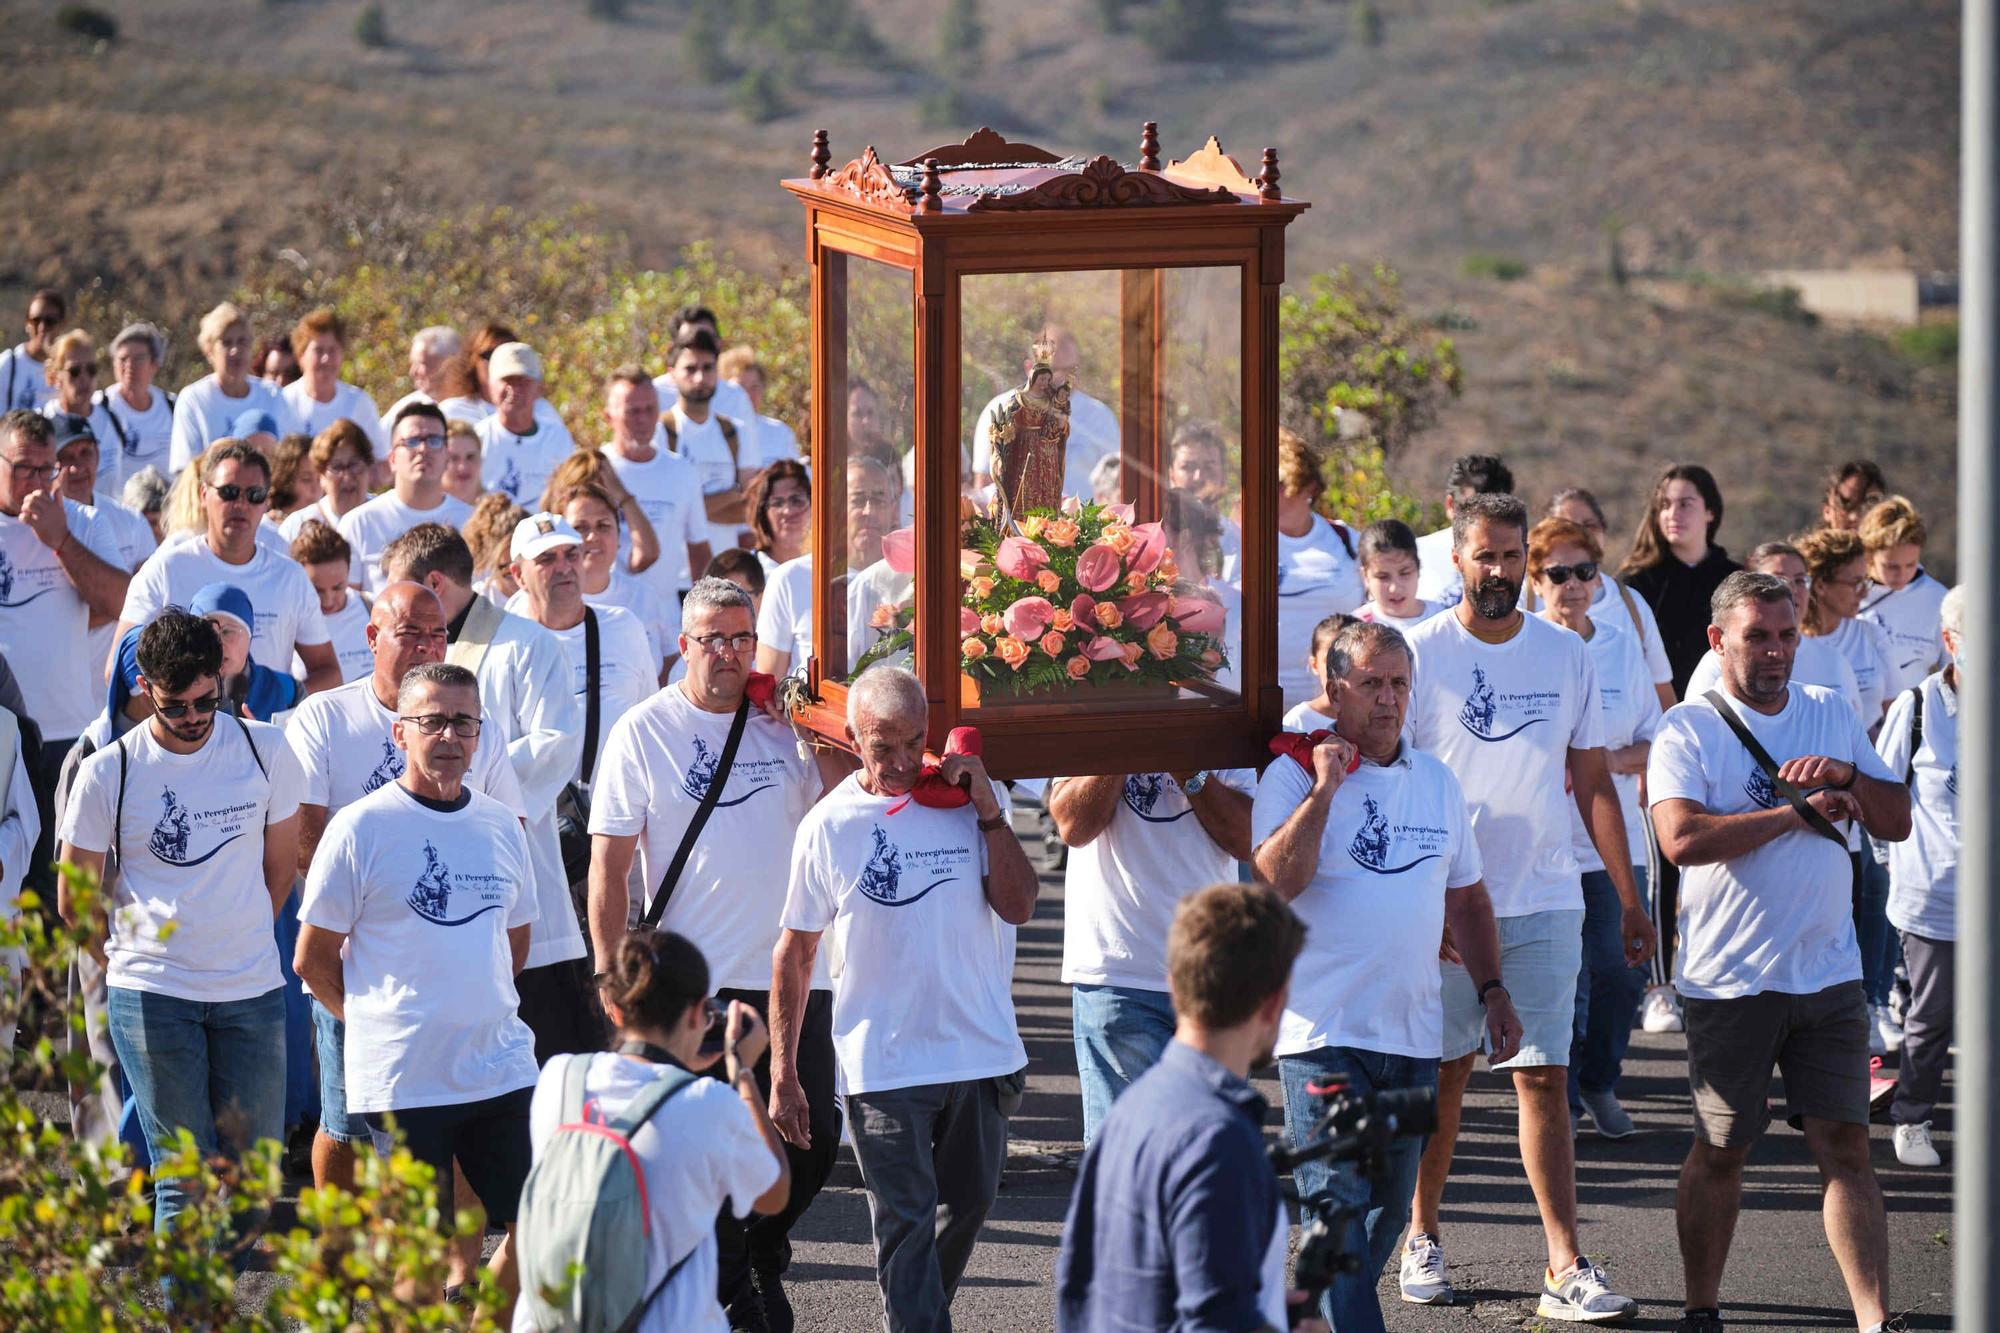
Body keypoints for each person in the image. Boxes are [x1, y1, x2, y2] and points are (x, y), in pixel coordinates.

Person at [1400, 492, 1653, 1320]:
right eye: (1487, 556)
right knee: (1444, 1078)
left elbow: (1590, 781)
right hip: (1442, 902)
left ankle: (1562, 1263)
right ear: (1458, 560)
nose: (1502, 571)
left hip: (1545, 892)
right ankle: (1421, 1234)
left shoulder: (1566, 653)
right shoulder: (1419, 651)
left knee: (1544, 1075)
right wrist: (1419, 897)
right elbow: (1395, 781)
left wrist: (1628, 893)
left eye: (1515, 558)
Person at [1647, 571, 1909, 1333]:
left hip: (1828, 973)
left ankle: (1873, 1319)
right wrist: (1794, 814)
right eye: (1758, 635)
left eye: (1787, 634)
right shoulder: (1687, 729)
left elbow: (1894, 818)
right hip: (1730, 981)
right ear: (1717, 640)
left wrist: (1847, 774)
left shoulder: (1830, 711)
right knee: (1723, 1149)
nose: (1776, 651)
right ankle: (1702, 1308)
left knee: (1847, 1148)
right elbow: (1682, 838)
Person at [588, 576, 845, 1331]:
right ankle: (738, 1277)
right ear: (683, 645)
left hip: (792, 973)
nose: (729, 653)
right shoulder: (643, 729)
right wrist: (612, 971)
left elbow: (846, 795)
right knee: (703, 1137)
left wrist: (811, 723)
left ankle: (757, 1250)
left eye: (741, 637)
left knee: (813, 1137)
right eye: (713, 639)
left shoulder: (783, 725)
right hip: (686, 982)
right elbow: (608, 867)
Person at [1253, 621, 1520, 1332]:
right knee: (1335, 1204)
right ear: (1335, 687)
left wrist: (1493, 988)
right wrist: (1325, 789)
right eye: (1371, 681)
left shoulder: (1435, 780)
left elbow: (1466, 896)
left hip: (1410, 1035)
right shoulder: (1290, 773)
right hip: (1321, 1032)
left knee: (1388, 1202)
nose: (1388, 697)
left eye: (1399, 682)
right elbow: (1276, 880)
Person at [770, 665, 1036, 1332]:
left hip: (978, 1051)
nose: (896, 761)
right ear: (853, 738)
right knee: (906, 1220)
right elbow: (795, 952)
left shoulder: (971, 800)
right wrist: (785, 1070)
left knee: (968, 1205)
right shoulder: (828, 826)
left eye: (911, 743)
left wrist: (988, 811)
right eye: (881, 745)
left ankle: (918, 1314)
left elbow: (1020, 904)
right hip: (882, 1061)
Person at [294, 662, 538, 1318]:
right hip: (405, 1079)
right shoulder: (361, 828)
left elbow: (514, 941)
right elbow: (311, 959)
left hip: (497, 1066)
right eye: (432, 720)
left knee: (539, 1225)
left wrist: (472, 999)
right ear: (400, 732)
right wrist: (373, 1022)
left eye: (464, 720)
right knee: (421, 1253)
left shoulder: (498, 825)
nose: (450, 735)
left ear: (481, 733)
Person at [56, 608, 306, 1234]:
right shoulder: (107, 771)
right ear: (144, 685)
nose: (195, 716)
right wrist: (127, 966)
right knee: (183, 1179)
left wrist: (239, 930)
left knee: (253, 1187)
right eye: (176, 705)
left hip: (249, 988)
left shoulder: (267, 750)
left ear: (221, 677)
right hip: (152, 993)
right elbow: (72, 899)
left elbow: (281, 871)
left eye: (206, 699)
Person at [285, 582, 525, 1207]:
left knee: (488, 1183)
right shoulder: (327, 717)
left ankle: (459, 1280)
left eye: (438, 632)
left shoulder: (481, 728)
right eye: (409, 631)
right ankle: (340, 1264)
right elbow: (307, 838)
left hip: (462, 1019)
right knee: (340, 1129)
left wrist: (466, 970)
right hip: (354, 962)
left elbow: (505, 877)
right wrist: (374, 940)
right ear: (372, 637)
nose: (426, 644)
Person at [1056, 884, 1326, 1333]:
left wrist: (1257, 1304)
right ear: (1274, 1002)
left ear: (1174, 981)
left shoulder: (1130, 1111)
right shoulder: (1217, 1137)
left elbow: (1080, 1288)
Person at [380, 524, 590, 1061]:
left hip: (519, 873)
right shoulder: (413, 662)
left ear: (433, 582)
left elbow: (557, 743)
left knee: (544, 1058)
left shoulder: (527, 644)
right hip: (435, 885)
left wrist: (459, 777)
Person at [519, 930, 791, 1333]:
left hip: (554, 1319)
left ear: (614, 1007)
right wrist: (744, 1073)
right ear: (699, 1013)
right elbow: (774, 1193)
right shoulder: (708, 1102)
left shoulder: (560, 1078)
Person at [1527, 517, 1659, 1139]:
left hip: (1612, 840)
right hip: (1544, 846)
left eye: (1585, 572)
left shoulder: (1618, 644)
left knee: (1620, 971)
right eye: (1559, 573)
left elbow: (1652, 739)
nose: (1574, 585)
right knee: (1565, 986)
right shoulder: (1520, 645)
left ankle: (1601, 1079)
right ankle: (1568, 1104)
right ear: (1535, 580)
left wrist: (1599, 762)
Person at [1049, 753, 1254, 1147]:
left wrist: (1191, 771)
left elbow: (1246, 838)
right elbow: (1072, 826)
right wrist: (1128, 746)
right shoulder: (1095, 707)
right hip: (1118, 973)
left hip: (1212, 980)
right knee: (1127, 1166)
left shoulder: (1224, 704)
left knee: (1209, 1161)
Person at [0, 412, 131, 893]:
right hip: (4, 735)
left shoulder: (83, 522)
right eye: (21, 468)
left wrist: (59, 541)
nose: (34, 482)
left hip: (68, 736)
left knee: (67, 894)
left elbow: (121, 600)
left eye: (44, 469)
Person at [118, 440, 340, 693]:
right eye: (229, 492)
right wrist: (179, 708)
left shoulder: (290, 576)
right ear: (203, 494)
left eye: (254, 495)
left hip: (262, 730)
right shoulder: (166, 568)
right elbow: (121, 664)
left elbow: (328, 671)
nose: (241, 504)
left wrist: (284, 699)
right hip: (185, 729)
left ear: (266, 502)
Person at [1874, 584, 1960, 1169]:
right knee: (1931, 1018)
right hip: (1933, 899)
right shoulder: (1920, 706)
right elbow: (1881, 796)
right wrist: (1895, 869)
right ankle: (1913, 1118)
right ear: (1952, 641)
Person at [506, 513, 654, 784]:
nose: (563, 568)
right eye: (546, 559)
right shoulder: (504, 645)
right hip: (538, 819)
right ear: (518, 575)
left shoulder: (624, 626)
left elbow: (650, 723)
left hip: (618, 815)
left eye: (571, 555)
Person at [47, 415, 157, 693]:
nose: (77, 467)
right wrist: (110, 598)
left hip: (117, 683)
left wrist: (99, 602)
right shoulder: (39, 524)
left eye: (86, 453)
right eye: (66, 457)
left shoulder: (131, 521)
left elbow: (144, 603)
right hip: (59, 681)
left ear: (98, 455)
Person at [1545, 487, 1678, 713]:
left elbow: (1662, 695)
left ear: (1603, 531)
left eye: (1590, 525)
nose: (1581, 535)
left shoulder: (1631, 604)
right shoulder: (1526, 602)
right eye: (1566, 527)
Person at [1619, 463, 1739, 699]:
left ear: (1710, 511)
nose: (1673, 514)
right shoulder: (1636, 583)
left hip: (1728, 714)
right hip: (1656, 714)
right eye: (1665, 505)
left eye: (1685, 504)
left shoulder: (1736, 581)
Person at [544, 482, 680, 682]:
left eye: (603, 525)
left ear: (618, 536)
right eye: (580, 527)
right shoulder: (542, 602)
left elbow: (670, 662)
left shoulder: (645, 596)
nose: (592, 536)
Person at [971, 325, 1119, 506]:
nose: (1065, 378)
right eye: (1055, 370)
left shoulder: (1100, 417)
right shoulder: (1001, 409)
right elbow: (985, 482)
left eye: (1071, 369)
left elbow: (1116, 487)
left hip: (1086, 531)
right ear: (1029, 367)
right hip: (1017, 530)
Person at [1268, 431, 1364, 710]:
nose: (1270, 492)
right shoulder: (1240, 543)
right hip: (1258, 708)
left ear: (1309, 486)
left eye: (1279, 483)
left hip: (1335, 708)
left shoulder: (1346, 541)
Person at [338, 402, 475, 594]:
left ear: (446, 455)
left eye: (434, 440)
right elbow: (347, 606)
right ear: (392, 459)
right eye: (412, 441)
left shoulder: (472, 522)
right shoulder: (358, 523)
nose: (423, 449)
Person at [601, 364, 712, 598]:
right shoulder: (595, 469)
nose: (643, 420)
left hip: (665, 619)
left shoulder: (681, 470)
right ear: (608, 416)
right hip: (608, 615)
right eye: (633, 411)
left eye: (650, 410)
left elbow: (698, 547)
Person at [661, 328, 759, 555]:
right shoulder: (662, 432)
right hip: (676, 580)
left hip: (726, 575)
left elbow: (751, 507)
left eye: (707, 368)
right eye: (690, 369)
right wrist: (731, 496)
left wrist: (695, 506)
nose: (700, 378)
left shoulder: (735, 432)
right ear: (672, 373)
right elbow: (670, 511)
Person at [169, 303, 300, 472]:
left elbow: (289, 459)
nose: (235, 350)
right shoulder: (193, 399)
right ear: (209, 351)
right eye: (226, 343)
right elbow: (185, 469)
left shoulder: (272, 395)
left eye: (242, 341)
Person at [1857, 496, 1948, 700]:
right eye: (1891, 566)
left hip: (1912, 722)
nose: (1902, 575)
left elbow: (1953, 673)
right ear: (1869, 554)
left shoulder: (1938, 599)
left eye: (1911, 564)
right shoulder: (1846, 591)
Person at [475, 342, 577, 507]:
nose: (514, 389)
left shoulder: (557, 437)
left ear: (538, 388)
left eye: (522, 381)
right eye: (506, 380)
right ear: (490, 387)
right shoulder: (478, 438)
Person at [280, 308, 387, 455]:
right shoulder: (284, 401)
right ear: (300, 355)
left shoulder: (359, 402)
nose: (326, 359)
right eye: (318, 351)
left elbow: (379, 459)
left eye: (333, 350)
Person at [1412, 453, 1513, 607]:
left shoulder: (1522, 561)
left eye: (1494, 511)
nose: (1483, 522)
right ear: (1450, 505)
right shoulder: (1416, 554)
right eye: (1472, 511)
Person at [194, 582, 302, 721]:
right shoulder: (174, 694)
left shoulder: (286, 690)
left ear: (249, 636)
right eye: (207, 632)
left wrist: (265, 739)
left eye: (227, 631)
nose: (217, 644)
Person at [94, 323, 177, 491]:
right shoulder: (99, 406)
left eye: (138, 359)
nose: (130, 366)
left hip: (165, 510)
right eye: (123, 359)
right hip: (117, 511)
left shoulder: (172, 405)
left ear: (155, 363)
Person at [288, 522, 371, 683]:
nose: (328, 601)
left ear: (349, 571)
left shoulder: (372, 607)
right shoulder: (288, 616)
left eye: (338, 587)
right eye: (316, 590)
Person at [650, 303, 757, 425]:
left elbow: (748, 443)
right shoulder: (652, 396)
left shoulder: (735, 398)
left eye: (708, 339)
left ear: (720, 344)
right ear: (672, 349)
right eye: (689, 339)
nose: (700, 344)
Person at [278, 419, 376, 542]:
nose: (347, 477)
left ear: (369, 469)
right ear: (321, 476)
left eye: (354, 465)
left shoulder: (386, 517)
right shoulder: (296, 527)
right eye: (336, 467)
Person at [719, 346, 803, 467]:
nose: (747, 395)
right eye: (740, 387)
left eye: (754, 387)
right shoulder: (713, 431)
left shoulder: (780, 433)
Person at [1354, 519, 1441, 630]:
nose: (1394, 588)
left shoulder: (1444, 619)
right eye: (1383, 577)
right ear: (1365, 576)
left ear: (1418, 568)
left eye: (1404, 573)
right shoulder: (1354, 630)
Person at [39, 330, 118, 449]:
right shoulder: (40, 425)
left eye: (91, 369)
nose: (84, 378)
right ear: (54, 377)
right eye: (74, 371)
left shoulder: (114, 421)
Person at [1282, 613, 1358, 733]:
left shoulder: (1384, 716)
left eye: (1352, 659)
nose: (1340, 669)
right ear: (1314, 664)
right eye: (1330, 659)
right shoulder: (1298, 722)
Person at [379, 325, 462, 425]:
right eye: (412, 364)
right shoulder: (405, 410)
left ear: (450, 364)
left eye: (421, 363)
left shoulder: (477, 408)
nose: (413, 372)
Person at [1, 288, 65, 412]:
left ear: (62, 324)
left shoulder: (71, 369)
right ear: (27, 324)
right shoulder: (9, 364)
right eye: (36, 320)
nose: (42, 327)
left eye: (49, 321)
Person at [743, 460, 811, 575]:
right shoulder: (745, 573)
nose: (788, 511)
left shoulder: (830, 568)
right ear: (763, 513)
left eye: (796, 500)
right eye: (777, 503)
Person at [1820, 460, 1886, 533]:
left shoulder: (1895, 543)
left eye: (1868, 506)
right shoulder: (1812, 544)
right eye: (1845, 504)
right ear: (1827, 511)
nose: (1854, 517)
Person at [444, 419, 485, 506]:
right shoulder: (422, 508)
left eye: (470, 457)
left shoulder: (498, 511)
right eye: (454, 458)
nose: (463, 467)